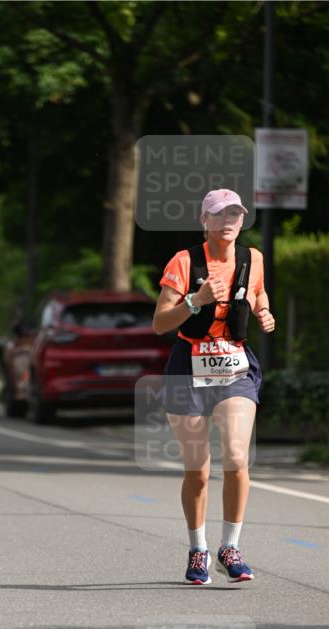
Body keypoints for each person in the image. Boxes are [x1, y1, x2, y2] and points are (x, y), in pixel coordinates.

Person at [152, 188, 275, 585]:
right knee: (198, 471)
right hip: (187, 368)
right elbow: (159, 323)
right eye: (220, 215)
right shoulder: (184, 262)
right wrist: (196, 300)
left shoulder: (252, 258)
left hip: (234, 367)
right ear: (204, 220)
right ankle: (198, 549)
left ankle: (230, 547)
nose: (228, 222)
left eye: (235, 215)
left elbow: (256, 291)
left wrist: (264, 310)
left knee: (238, 458)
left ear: (242, 221)